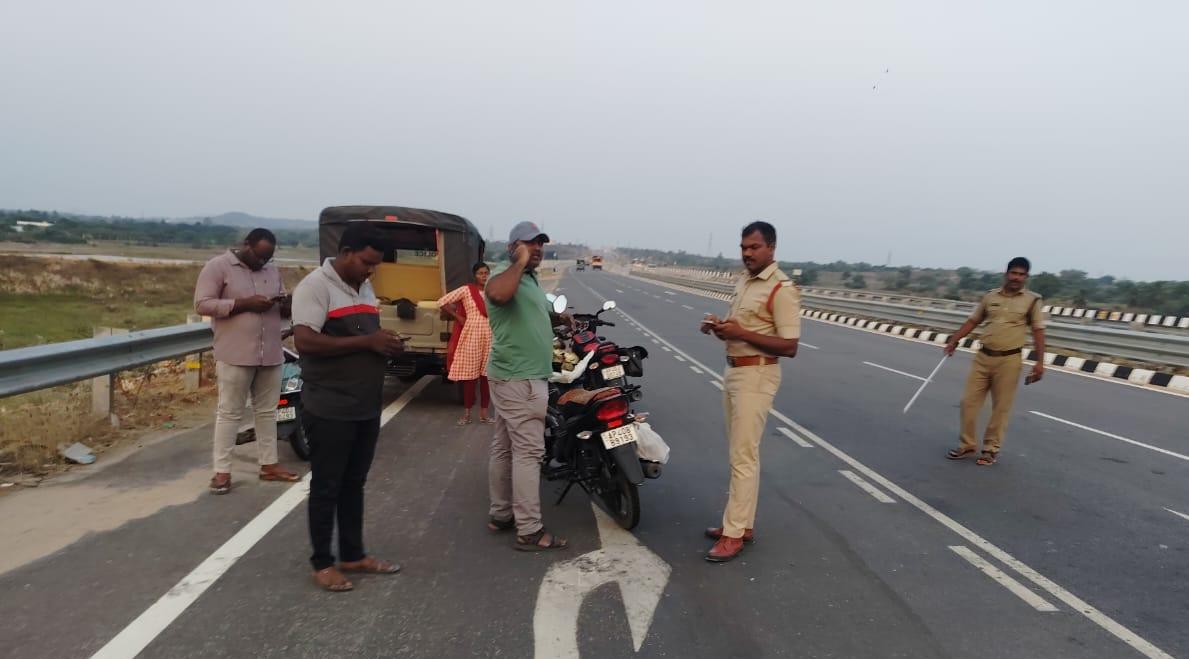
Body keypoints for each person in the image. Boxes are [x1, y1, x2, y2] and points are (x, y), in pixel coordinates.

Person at [291, 223, 406, 592]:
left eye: (375, 265)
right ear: (345, 253)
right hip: (330, 405)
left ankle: (353, 554)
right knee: (327, 485)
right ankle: (322, 562)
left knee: (354, 483)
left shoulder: (365, 286)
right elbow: (306, 341)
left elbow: (363, 337)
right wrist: (366, 342)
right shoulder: (315, 287)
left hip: (365, 404)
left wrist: (384, 342)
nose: (370, 270)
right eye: (365, 262)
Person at [699, 221, 801, 563]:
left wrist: (741, 331)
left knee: (742, 456)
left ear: (771, 248)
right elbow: (740, 330)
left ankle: (733, 534)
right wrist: (721, 329)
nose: (747, 254)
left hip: (757, 374)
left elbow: (789, 346)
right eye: (743, 248)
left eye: (754, 248)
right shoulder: (744, 281)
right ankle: (741, 524)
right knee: (742, 453)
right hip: (734, 370)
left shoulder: (781, 288)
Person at [194, 228, 300, 495]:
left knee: (267, 412)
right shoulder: (218, 267)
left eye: (268, 258)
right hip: (235, 354)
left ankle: (269, 465)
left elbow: (281, 307)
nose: (263, 262)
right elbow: (203, 304)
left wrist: (286, 304)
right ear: (247, 245)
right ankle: (222, 472)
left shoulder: (271, 271)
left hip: (271, 353)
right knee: (230, 412)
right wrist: (244, 304)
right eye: (260, 256)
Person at [483, 221, 568, 551]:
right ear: (512, 247)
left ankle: (502, 515)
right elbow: (499, 295)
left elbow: (539, 314)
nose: (537, 249)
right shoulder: (504, 275)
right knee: (529, 453)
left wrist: (562, 319)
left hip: (518, 376)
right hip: (520, 378)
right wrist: (518, 262)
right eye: (530, 244)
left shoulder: (530, 281)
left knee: (504, 449)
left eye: (541, 244)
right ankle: (529, 530)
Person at [944, 257, 1046, 466]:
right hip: (983, 357)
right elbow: (974, 320)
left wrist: (1039, 363)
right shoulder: (990, 296)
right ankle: (967, 444)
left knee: (1001, 408)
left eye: (1021, 274)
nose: (1017, 278)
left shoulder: (1032, 301)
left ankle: (990, 450)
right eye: (1014, 273)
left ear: (1026, 277)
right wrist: (954, 339)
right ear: (1006, 274)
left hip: (1009, 360)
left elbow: (1038, 330)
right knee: (968, 403)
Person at [438, 262, 494, 426]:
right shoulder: (466, 290)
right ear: (474, 275)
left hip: (490, 336)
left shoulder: (493, 292)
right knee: (470, 378)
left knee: (486, 377)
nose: (484, 276)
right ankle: (466, 414)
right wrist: (458, 317)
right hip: (471, 335)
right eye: (480, 273)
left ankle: (484, 414)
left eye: (486, 273)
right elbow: (442, 301)